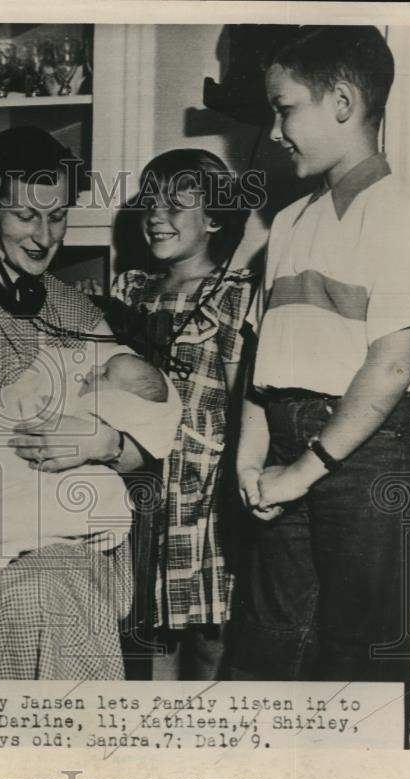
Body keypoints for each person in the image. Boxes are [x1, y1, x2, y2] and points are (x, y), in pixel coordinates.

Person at [0, 126, 182, 680]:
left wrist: (106, 442)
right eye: (26, 216)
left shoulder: (80, 312)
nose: (46, 236)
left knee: (50, 590)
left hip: (66, 518)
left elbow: (149, 424)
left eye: (58, 215)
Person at [231, 26, 410, 690]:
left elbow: (393, 364)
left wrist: (303, 470)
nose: (276, 130)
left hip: (363, 452)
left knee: (357, 650)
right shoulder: (287, 224)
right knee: (267, 646)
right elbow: (261, 362)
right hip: (286, 447)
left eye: (285, 109)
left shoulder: (401, 212)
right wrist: (252, 458)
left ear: (342, 102)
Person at [110, 149, 255, 680]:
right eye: (150, 202)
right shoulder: (130, 288)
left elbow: (243, 404)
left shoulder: (234, 294)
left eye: (176, 205)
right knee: (144, 628)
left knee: (209, 630)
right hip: (135, 480)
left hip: (203, 490)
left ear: (215, 217)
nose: (156, 215)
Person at [0, 351, 180, 572]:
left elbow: (159, 431)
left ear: (120, 400)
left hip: (27, 481)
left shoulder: (106, 410)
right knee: (111, 499)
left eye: (104, 374)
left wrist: (101, 442)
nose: (93, 370)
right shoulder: (75, 396)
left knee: (109, 496)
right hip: (6, 459)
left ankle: (1, 525)